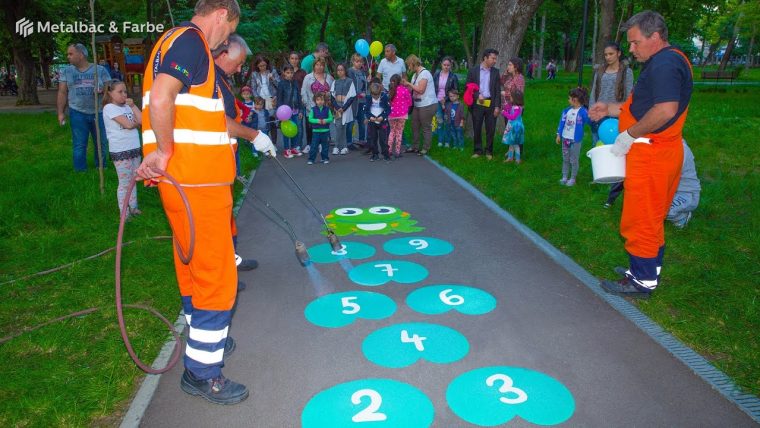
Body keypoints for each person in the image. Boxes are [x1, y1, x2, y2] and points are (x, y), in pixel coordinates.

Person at [135, 0, 274, 405]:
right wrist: (161, 152)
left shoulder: (170, 41)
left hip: (183, 183)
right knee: (217, 278)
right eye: (229, 30)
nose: (226, 40)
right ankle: (202, 373)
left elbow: (192, 113)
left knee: (191, 265)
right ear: (220, 14)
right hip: (196, 182)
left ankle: (200, 344)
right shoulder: (193, 42)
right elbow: (161, 100)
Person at [590, 10, 693, 297]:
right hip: (659, 153)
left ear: (656, 37)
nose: (631, 50)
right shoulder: (667, 60)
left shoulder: (665, 64)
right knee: (650, 217)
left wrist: (629, 135)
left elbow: (664, 110)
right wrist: (610, 109)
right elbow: (644, 106)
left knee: (641, 219)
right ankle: (644, 270)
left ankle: (642, 282)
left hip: (652, 154)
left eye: (635, 43)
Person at [211, 32, 261, 277]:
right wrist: (253, 135)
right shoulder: (209, 79)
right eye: (238, 61)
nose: (240, 67)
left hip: (226, 154)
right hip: (211, 160)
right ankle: (223, 272)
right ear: (222, 54)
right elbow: (220, 121)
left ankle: (231, 259)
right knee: (217, 217)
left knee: (226, 212)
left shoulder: (221, 78)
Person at [590, 42, 634, 207]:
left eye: (611, 54)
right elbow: (595, 92)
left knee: (617, 149)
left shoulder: (626, 72)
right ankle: (600, 174)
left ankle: (615, 181)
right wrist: (592, 111)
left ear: (618, 54)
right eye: (606, 54)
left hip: (617, 115)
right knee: (598, 146)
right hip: (599, 114)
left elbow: (630, 95)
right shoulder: (600, 71)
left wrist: (620, 111)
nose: (608, 57)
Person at [57, 43, 111, 171]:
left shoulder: (100, 70)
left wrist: (103, 90)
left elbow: (110, 89)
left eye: (70, 54)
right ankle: (80, 170)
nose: (68, 57)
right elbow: (62, 92)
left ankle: (101, 166)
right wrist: (60, 113)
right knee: (79, 143)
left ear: (81, 55)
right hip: (77, 112)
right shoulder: (67, 71)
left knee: (101, 142)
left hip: (98, 112)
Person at [102, 80, 141, 218]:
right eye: (120, 92)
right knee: (125, 183)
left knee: (134, 179)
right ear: (110, 93)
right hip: (121, 151)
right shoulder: (109, 108)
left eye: (125, 91)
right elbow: (129, 125)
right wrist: (134, 123)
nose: (124, 95)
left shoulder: (127, 106)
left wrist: (134, 105)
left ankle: (134, 207)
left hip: (134, 148)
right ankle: (124, 212)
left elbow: (142, 121)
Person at [466, 48, 502, 159]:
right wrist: (477, 95)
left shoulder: (495, 72)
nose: (495, 61)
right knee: (477, 127)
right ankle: (477, 150)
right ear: (485, 58)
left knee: (490, 128)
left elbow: (497, 90)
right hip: (477, 104)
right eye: (493, 58)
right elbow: (468, 86)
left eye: (495, 59)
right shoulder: (473, 71)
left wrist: (497, 106)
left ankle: (489, 152)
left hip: (491, 103)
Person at [401, 55, 437, 156]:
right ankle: (415, 146)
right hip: (417, 104)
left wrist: (409, 83)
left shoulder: (424, 73)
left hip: (427, 104)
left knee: (426, 127)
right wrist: (405, 86)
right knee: (414, 125)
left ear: (413, 63)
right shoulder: (415, 75)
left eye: (409, 65)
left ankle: (426, 148)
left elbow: (421, 90)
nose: (409, 68)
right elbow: (412, 89)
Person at [555, 87, 591, 186]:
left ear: (574, 100)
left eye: (569, 98)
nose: (568, 100)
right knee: (565, 158)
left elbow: (589, 121)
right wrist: (559, 134)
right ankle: (564, 176)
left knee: (574, 159)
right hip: (565, 139)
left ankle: (573, 178)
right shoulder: (566, 111)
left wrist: (593, 118)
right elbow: (561, 123)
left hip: (576, 140)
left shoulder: (583, 112)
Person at [301, 57, 334, 154]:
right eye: (317, 65)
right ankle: (309, 144)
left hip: (325, 108)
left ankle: (321, 144)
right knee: (310, 127)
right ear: (314, 66)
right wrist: (308, 106)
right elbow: (304, 92)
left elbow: (333, 91)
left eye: (321, 65)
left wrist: (329, 95)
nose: (319, 67)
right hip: (311, 107)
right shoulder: (308, 77)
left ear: (324, 66)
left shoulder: (329, 78)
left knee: (323, 126)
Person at [249, 55, 279, 145]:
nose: (263, 67)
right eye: (261, 66)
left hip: (270, 99)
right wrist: (257, 99)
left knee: (271, 121)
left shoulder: (272, 71)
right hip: (260, 100)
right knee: (262, 122)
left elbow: (279, 84)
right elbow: (253, 88)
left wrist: (272, 79)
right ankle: (263, 143)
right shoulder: (254, 74)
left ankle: (273, 144)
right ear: (257, 66)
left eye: (264, 65)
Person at [277, 64, 304, 158]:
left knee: (294, 130)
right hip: (285, 112)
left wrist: (300, 110)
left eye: (291, 72)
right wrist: (280, 113)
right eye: (287, 72)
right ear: (284, 73)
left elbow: (299, 97)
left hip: (295, 110)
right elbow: (279, 99)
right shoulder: (281, 84)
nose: (290, 74)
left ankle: (293, 148)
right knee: (286, 131)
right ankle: (286, 150)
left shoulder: (295, 82)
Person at [501, 57, 526, 156]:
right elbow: (501, 81)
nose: (508, 66)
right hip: (508, 107)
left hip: (515, 108)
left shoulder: (519, 78)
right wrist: (506, 73)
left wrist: (505, 93)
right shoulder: (510, 77)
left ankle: (519, 152)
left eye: (510, 65)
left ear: (516, 67)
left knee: (516, 130)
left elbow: (519, 94)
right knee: (509, 129)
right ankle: (511, 151)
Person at [330, 63, 356, 156]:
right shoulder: (335, 82)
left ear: (345, 71)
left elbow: (352, 96)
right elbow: (332, 97)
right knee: (338, 127)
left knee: (344, 127)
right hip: (337, 108)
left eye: (341, 70)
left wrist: (344, 108)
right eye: (338, 70)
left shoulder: (350, 81)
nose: (340, 72)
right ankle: (337, 147)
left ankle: (344, 147)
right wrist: (337, 107)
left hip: (346, 108)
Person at [433, 56, 459, 147]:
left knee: (447, 122)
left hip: (448, 102)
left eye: (448, 65)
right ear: (441, 65)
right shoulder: (436, 74)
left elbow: (456, 90)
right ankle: (440, 141)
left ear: (450, 66)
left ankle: (447, 141)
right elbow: (433, 87)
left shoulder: (453, 76)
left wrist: (446, 99)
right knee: (439, 121)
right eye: (444, 65)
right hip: (437, 101)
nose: (446, 67)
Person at [361, 81, 391, 162]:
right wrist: (370, 117)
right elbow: (366, 110)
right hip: (372, 121)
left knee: (383, 139)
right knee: (373, 139)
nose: (376, 97)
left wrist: (382, 116)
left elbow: (388, 109)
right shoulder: (368, 98)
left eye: (377, 95)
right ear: (371, 93)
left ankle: (386, 155)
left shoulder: (384, 97)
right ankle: (375, 154)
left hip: (382, 121)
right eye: (374, 95)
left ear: (380, 92)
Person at [387, 73, 412, 159]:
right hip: (402, 114)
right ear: (400, 81)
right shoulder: (405, 90)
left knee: (392, 132)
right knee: (399, 132)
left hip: (392, 114)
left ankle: (389, 151)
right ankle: (397, 152)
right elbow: (409, 102)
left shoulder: (390, 90)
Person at [347, 53, 368, 148]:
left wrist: (368, 81)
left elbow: (364, 86)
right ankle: (349, 142)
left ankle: (362, 140)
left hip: (362, 101)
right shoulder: (350, 71)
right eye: (357, 61)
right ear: (353, 61)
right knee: (351, 121)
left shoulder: (363, 72)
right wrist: (358, 94)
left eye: (360, 61)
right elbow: (351, 85)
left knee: (361, 121)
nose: (359, 63)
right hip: (353, 101)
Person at [307, 92, 333, 164]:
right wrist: (318, 121)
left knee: (325, 146)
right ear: (315, 101)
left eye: (321, 100)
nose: (320, 101)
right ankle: (311, 159)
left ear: (324, 100)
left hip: (325, 131)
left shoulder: (327, 109)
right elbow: (310, 119)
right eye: (318, 100)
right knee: (314, 146)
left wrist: (326, 120)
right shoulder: (313, 109)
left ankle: (325, 158)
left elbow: (331, 118)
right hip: (316, 131)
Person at [501, 89, 525, 163]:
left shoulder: (517, 108)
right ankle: (510, 158)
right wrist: (506, 108)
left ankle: (518, 159)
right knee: (511, 143)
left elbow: (513, 117)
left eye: (511, 96)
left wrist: (504, 113)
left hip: (515, 127)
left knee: (515, 144)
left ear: (515, 98)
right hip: (512, 126)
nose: (510, 98)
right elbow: (509, 110)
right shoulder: (514, 106)